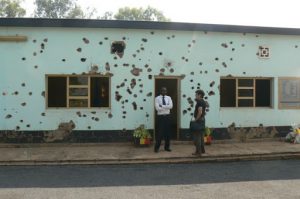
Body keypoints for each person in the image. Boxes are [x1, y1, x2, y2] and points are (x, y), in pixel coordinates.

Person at [154, 87, 173, 153]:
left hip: (167, 117)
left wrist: (161, 106)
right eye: (163, 90)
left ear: (166, 91)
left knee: (168, 133)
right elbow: (157, 108)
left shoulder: (169, 98)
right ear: (160, 91)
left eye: (165, 91)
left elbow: (171, 106)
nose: (164, 92)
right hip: (160, 117)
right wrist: (166, 107)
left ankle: (167, 147)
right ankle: (156, 148)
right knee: (160, 133)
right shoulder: (157, 98)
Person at [192, 89, 207, 156]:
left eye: (196, 94)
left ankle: (198, 152)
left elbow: (200, 112)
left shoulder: (200, 102)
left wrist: (195, 120)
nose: (195, 96)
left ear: (199, 95)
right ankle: (202, 150)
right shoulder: (203, 101)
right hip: (202, 120)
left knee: (197, 137)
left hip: (199, 120)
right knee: (201, 136)